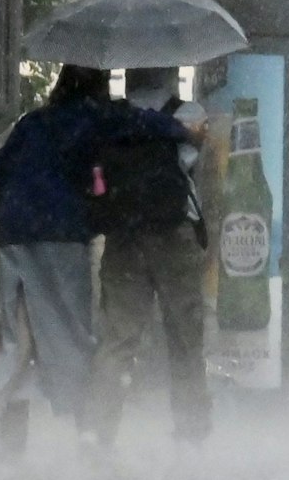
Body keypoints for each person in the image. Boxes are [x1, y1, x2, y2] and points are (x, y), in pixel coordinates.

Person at [0, 63, 194, 447]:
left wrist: (13, 213)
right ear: (96, 85)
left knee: (18, 335)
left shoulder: (31, 122)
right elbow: (140, 123)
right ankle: (85, 430)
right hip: (61, 233)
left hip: (13, 234)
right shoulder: (92, 117)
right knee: (72, 331)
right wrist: (183, 129)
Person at [85, 66, 212, 446]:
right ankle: (191, 433)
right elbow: (192, 165)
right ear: (171, 71)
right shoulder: (188, 114)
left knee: (118, 339)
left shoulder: (110, 118)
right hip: (174, 235)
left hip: (124, 237)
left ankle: (98, 432)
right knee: (184, 336)